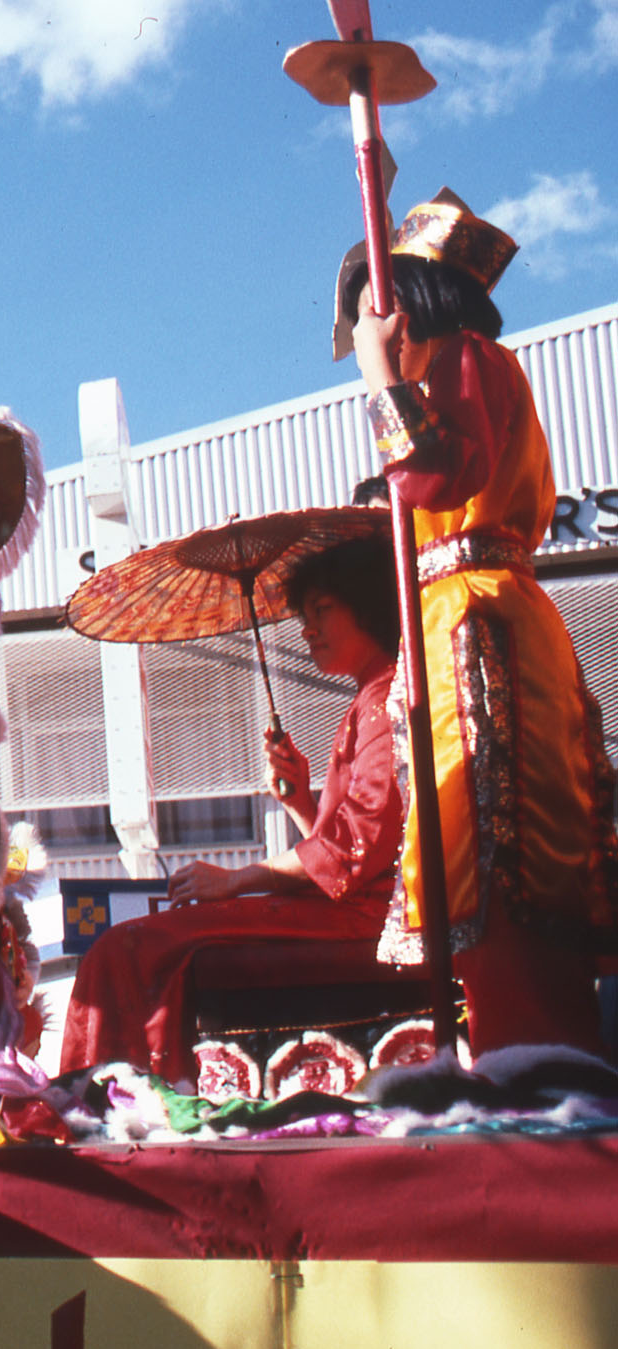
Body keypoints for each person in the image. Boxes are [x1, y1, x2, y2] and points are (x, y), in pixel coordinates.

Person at [340, 192, 618, 1052]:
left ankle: (524, 1057)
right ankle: (516, 1052)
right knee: (485, 847)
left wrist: (382, 381)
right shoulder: (470, 366)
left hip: (476, 622)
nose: (370, 325)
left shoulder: (467, 358)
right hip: (470, 614)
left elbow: (433, 480)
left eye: (376, 306)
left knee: (495, 853)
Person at [58, 538, 404, 1079]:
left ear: (370, 606)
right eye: (304, 615)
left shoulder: (387, 702)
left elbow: (351, 857)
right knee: (129, 945)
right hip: (350, 905)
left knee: (131, 948)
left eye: (323, 611)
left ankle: (124, 1094)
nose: (308, 629)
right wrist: (299, 801)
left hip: (365, 919)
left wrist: (236, 880)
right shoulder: (371, 698)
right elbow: (345, 850)